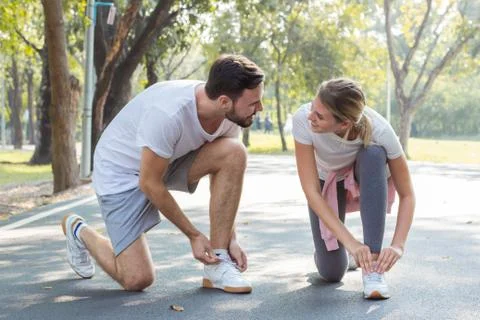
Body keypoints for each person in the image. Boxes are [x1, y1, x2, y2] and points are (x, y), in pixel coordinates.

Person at [61, 54, 264, 293]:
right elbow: (149, 182)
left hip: (169, 160)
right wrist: (193, 235)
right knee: (137, 279)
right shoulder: (169, 114)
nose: (259, 108)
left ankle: (218, 267)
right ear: (223, 101)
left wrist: (231, 240)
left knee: (234, 152)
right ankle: (78, 230)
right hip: (121, 173)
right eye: (254, 103)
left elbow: (224, 179)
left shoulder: (229, 116)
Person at [292, 78, 415, 299]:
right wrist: (351, 244)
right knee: (331, 273)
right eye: (313, 108)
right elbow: (311, 192)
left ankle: (373, 267)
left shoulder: (380, 130)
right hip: (326, 182)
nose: (311, 116)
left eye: (319, 115)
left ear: (344, 124)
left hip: (363, 176)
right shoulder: (303, 120)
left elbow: (407, 194)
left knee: (374, 154)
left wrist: (398, 246)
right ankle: (339, 256)